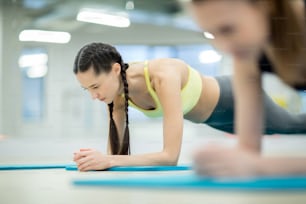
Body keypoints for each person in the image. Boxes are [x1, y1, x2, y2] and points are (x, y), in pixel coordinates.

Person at [72, 42, 306, 172]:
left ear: (115, 70)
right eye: (87, 90)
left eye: (95, 86)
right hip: (217, 120)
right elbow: (114, 156)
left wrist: (108, 160)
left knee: (295, 126)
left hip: (239, 96)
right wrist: (95, 160)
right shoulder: (116, 95)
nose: (94, 96)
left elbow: (169, 157)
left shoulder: (162, 75)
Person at [191, 0, 306, 176]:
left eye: (228, 29)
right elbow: (247, 151)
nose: (224, 47)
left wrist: (261, 165)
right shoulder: (246, 54)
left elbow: (253, 163)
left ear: (266, 5)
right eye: (212, 34)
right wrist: (219, 162)